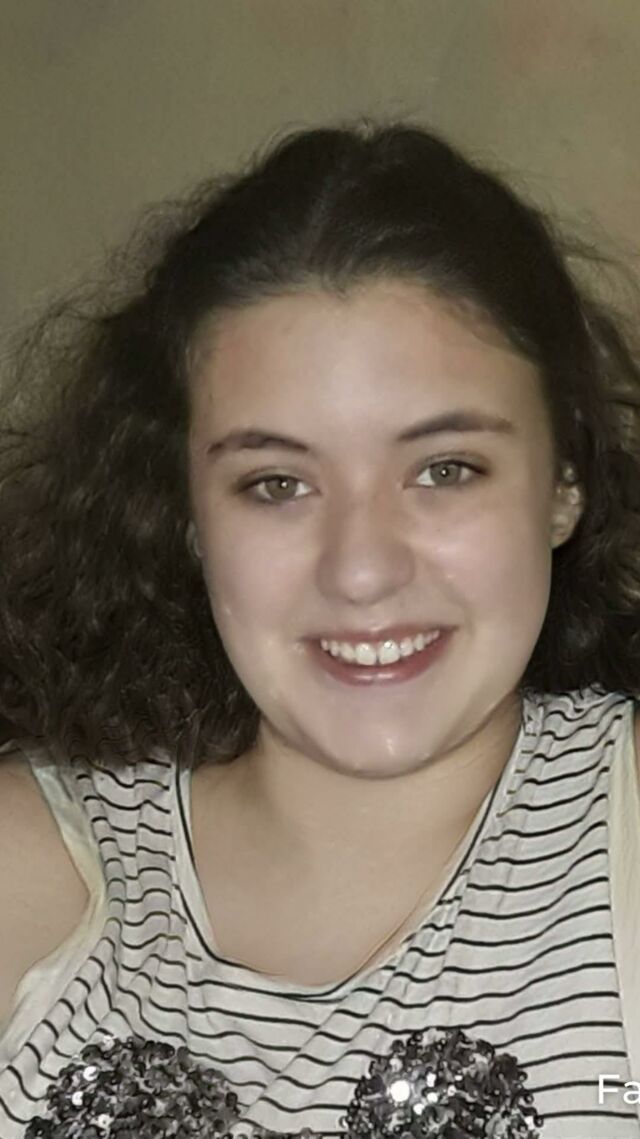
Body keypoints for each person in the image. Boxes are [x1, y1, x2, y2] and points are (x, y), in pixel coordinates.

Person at [0, 119, 639, 1139]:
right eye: (277, 483)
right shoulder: (36, 862)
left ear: (563, 480)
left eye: (445, 469)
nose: (361, 568)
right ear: (185, 514)